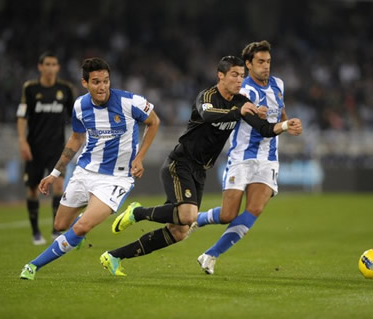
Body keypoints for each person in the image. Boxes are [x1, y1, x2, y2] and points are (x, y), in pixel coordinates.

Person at [100, 55, 301, 276]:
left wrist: (284, 125)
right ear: (221, 76)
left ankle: (115, 256)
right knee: (188, 215)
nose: (239, 80)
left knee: (179, 231)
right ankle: (137, 212)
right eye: (234, 75)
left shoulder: (241, 102)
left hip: (200, 170)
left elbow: (263, 129)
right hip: (180, 163)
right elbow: (207, 115)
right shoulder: (207, 96)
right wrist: (238, 112)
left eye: (242, 76)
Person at [20, 57, 160, 280]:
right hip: (85, 171)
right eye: (96, 82)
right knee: (60, 224)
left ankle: (33, 266)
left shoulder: (129, 102)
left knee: (82, 226)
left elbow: (154, 122)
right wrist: (55, 174)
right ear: (85, 83)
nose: (102, 86)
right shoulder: (79, 105)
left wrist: (140, 157)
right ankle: (80, 230)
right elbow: (76, 139)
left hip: (116, 178)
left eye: (105, 81)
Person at [195, 40, 303, 275]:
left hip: (268, 159)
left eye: (268, 62)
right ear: (248, 64)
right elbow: (249, 118)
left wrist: (288, 122)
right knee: (227, 215)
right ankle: (196, 219)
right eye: (260, 62)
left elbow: (279, 111)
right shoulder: (243, 90)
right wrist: (264, 117)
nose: (266, 66)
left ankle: (211, 254)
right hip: (242, 157)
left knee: (254, 209)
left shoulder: (278, 85)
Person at [16, 51, 75, 245]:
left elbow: (75, 117)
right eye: (47, 64)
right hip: (34, 147)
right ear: (40, 67)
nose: (50, 68)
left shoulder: (65, 89)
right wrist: (22, 141)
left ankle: (55, 230)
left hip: (58, 148)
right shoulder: (31, 88)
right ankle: (35, 232)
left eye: (54, 64)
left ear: (58, 67)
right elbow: (22, 116)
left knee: (58, 185)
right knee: (32, 189)